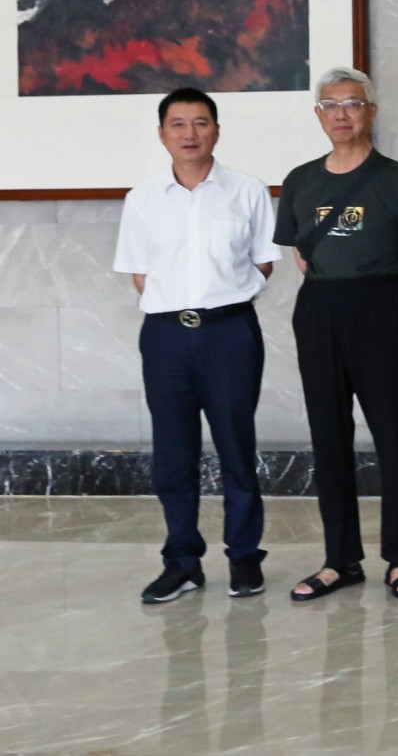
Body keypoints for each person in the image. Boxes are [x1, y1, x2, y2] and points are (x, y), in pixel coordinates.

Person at [115, 87, 281, 603]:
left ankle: (245, 558)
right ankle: (182, 562)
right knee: (173, 453)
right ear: (162, 133)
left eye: (201, 123)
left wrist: (217, 304)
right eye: (179, 124)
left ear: (217, 130)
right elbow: (140, 273)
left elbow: (263, 263)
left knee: (236, 446)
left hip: (229, 333)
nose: (190, 134)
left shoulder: (247, 191)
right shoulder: (142, 200)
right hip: (165, 336)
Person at [276, 68, 398, 602]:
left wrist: (383, 300)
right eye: (330, 105)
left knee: (394, 435)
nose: (341, 114)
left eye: (352, 103)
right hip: (320, 310)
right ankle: (339, 559)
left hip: (383, 309)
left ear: (371, 112)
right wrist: (338, 293)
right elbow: (301, 255)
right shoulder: (300, 181)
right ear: (318, 115)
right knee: (328, 435)